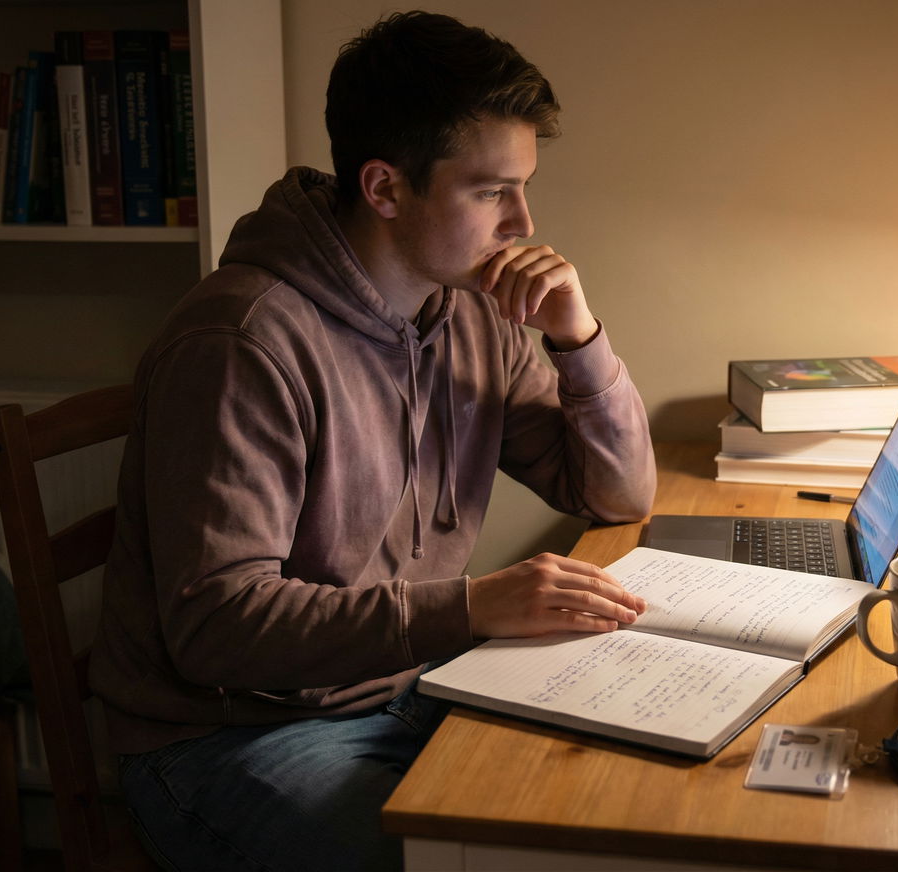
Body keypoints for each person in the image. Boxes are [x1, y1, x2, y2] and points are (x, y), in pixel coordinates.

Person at [87, 11, 657, 870]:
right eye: (490, 190)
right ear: (386, 188)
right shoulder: (242, 343)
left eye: (524, 188)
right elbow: (215, 628)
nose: (523, 223)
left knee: (614, 806)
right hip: (230, 736)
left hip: (409, 689)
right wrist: (468, 607)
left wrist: (578, 339)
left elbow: (617, 496)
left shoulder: (468, 308)